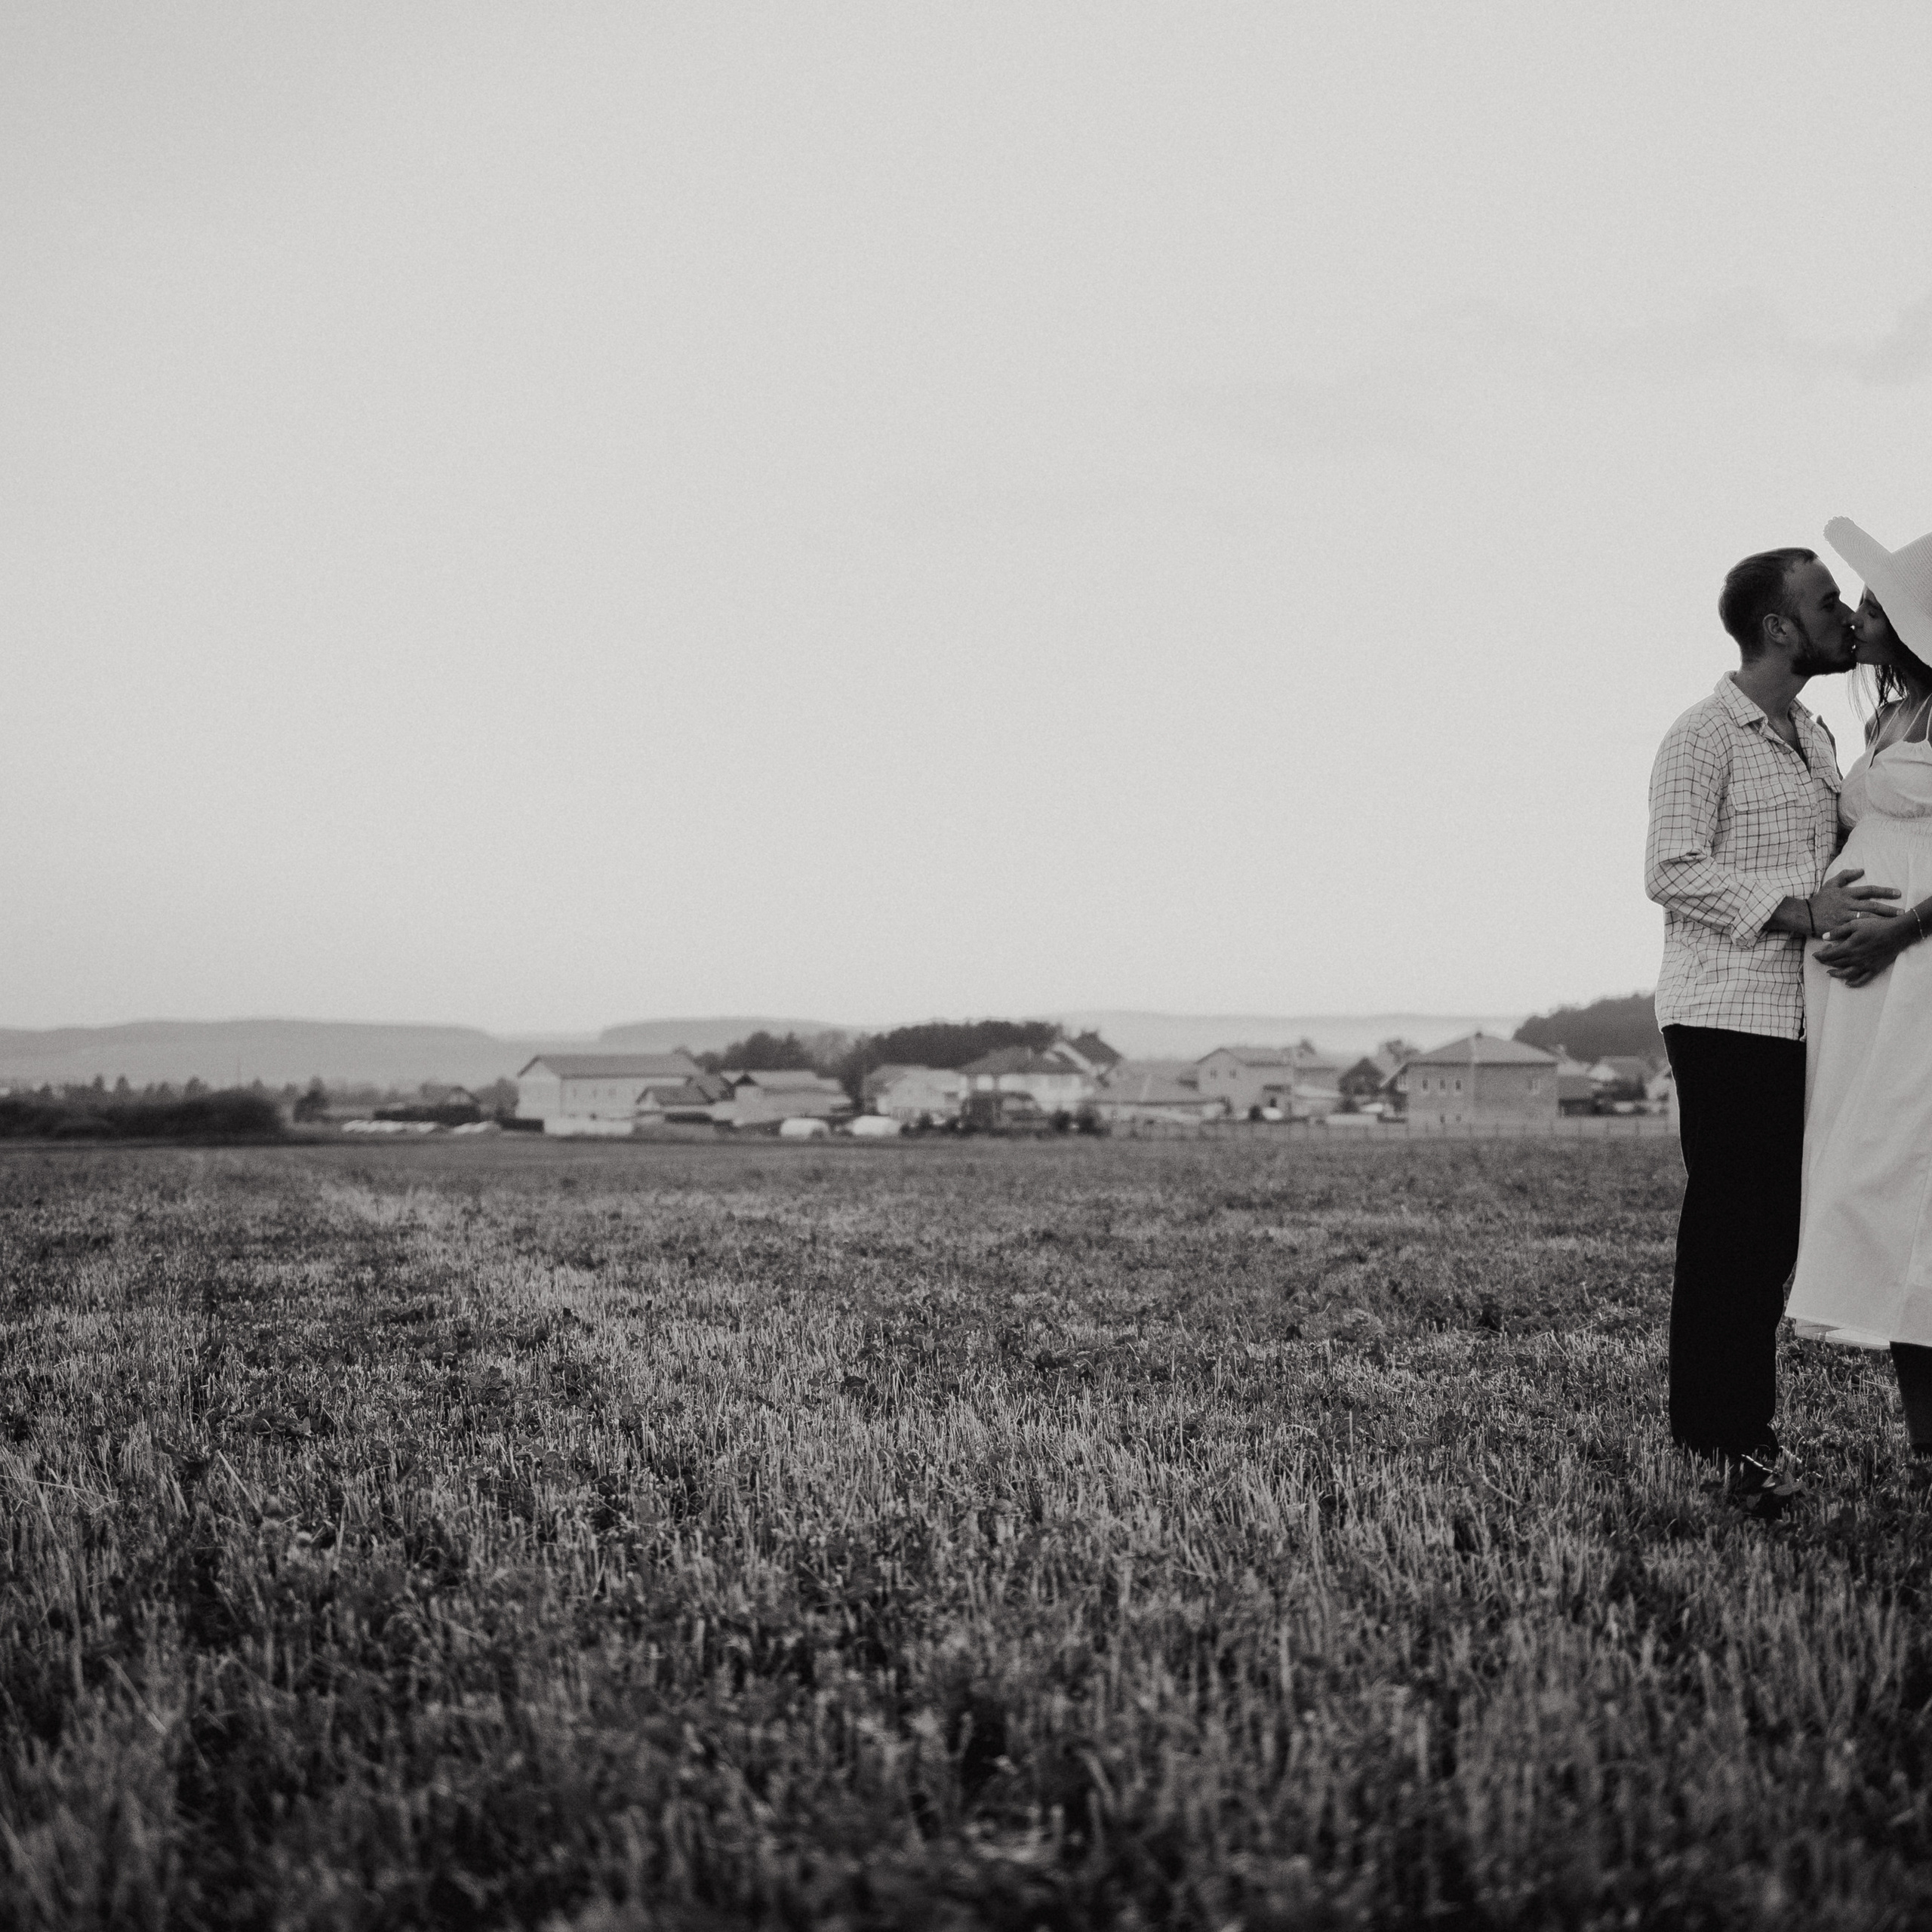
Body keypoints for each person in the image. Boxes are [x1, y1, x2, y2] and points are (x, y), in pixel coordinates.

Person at [1644, 546, 1898, 1514]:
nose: (1846, 617)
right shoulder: (1702, 733)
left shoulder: (1816, 734)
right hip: (1723, 1012)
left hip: (1801, 1016)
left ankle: (1735, 1429)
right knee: (1731, 1233)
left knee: (1769, 1236)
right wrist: (1801, 911)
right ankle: (1721, 1440)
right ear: (1779, 628)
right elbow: (1669, 867)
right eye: (1827, 602)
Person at [1783, 521, 1932, 1478]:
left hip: (1917, 978)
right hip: (1863, 999)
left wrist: (1899, 928)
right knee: (1874, 1193)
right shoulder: (1888, 719)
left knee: (1915, 1183)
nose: (1858, 617)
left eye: (1874, 606)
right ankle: (1925, 1446)